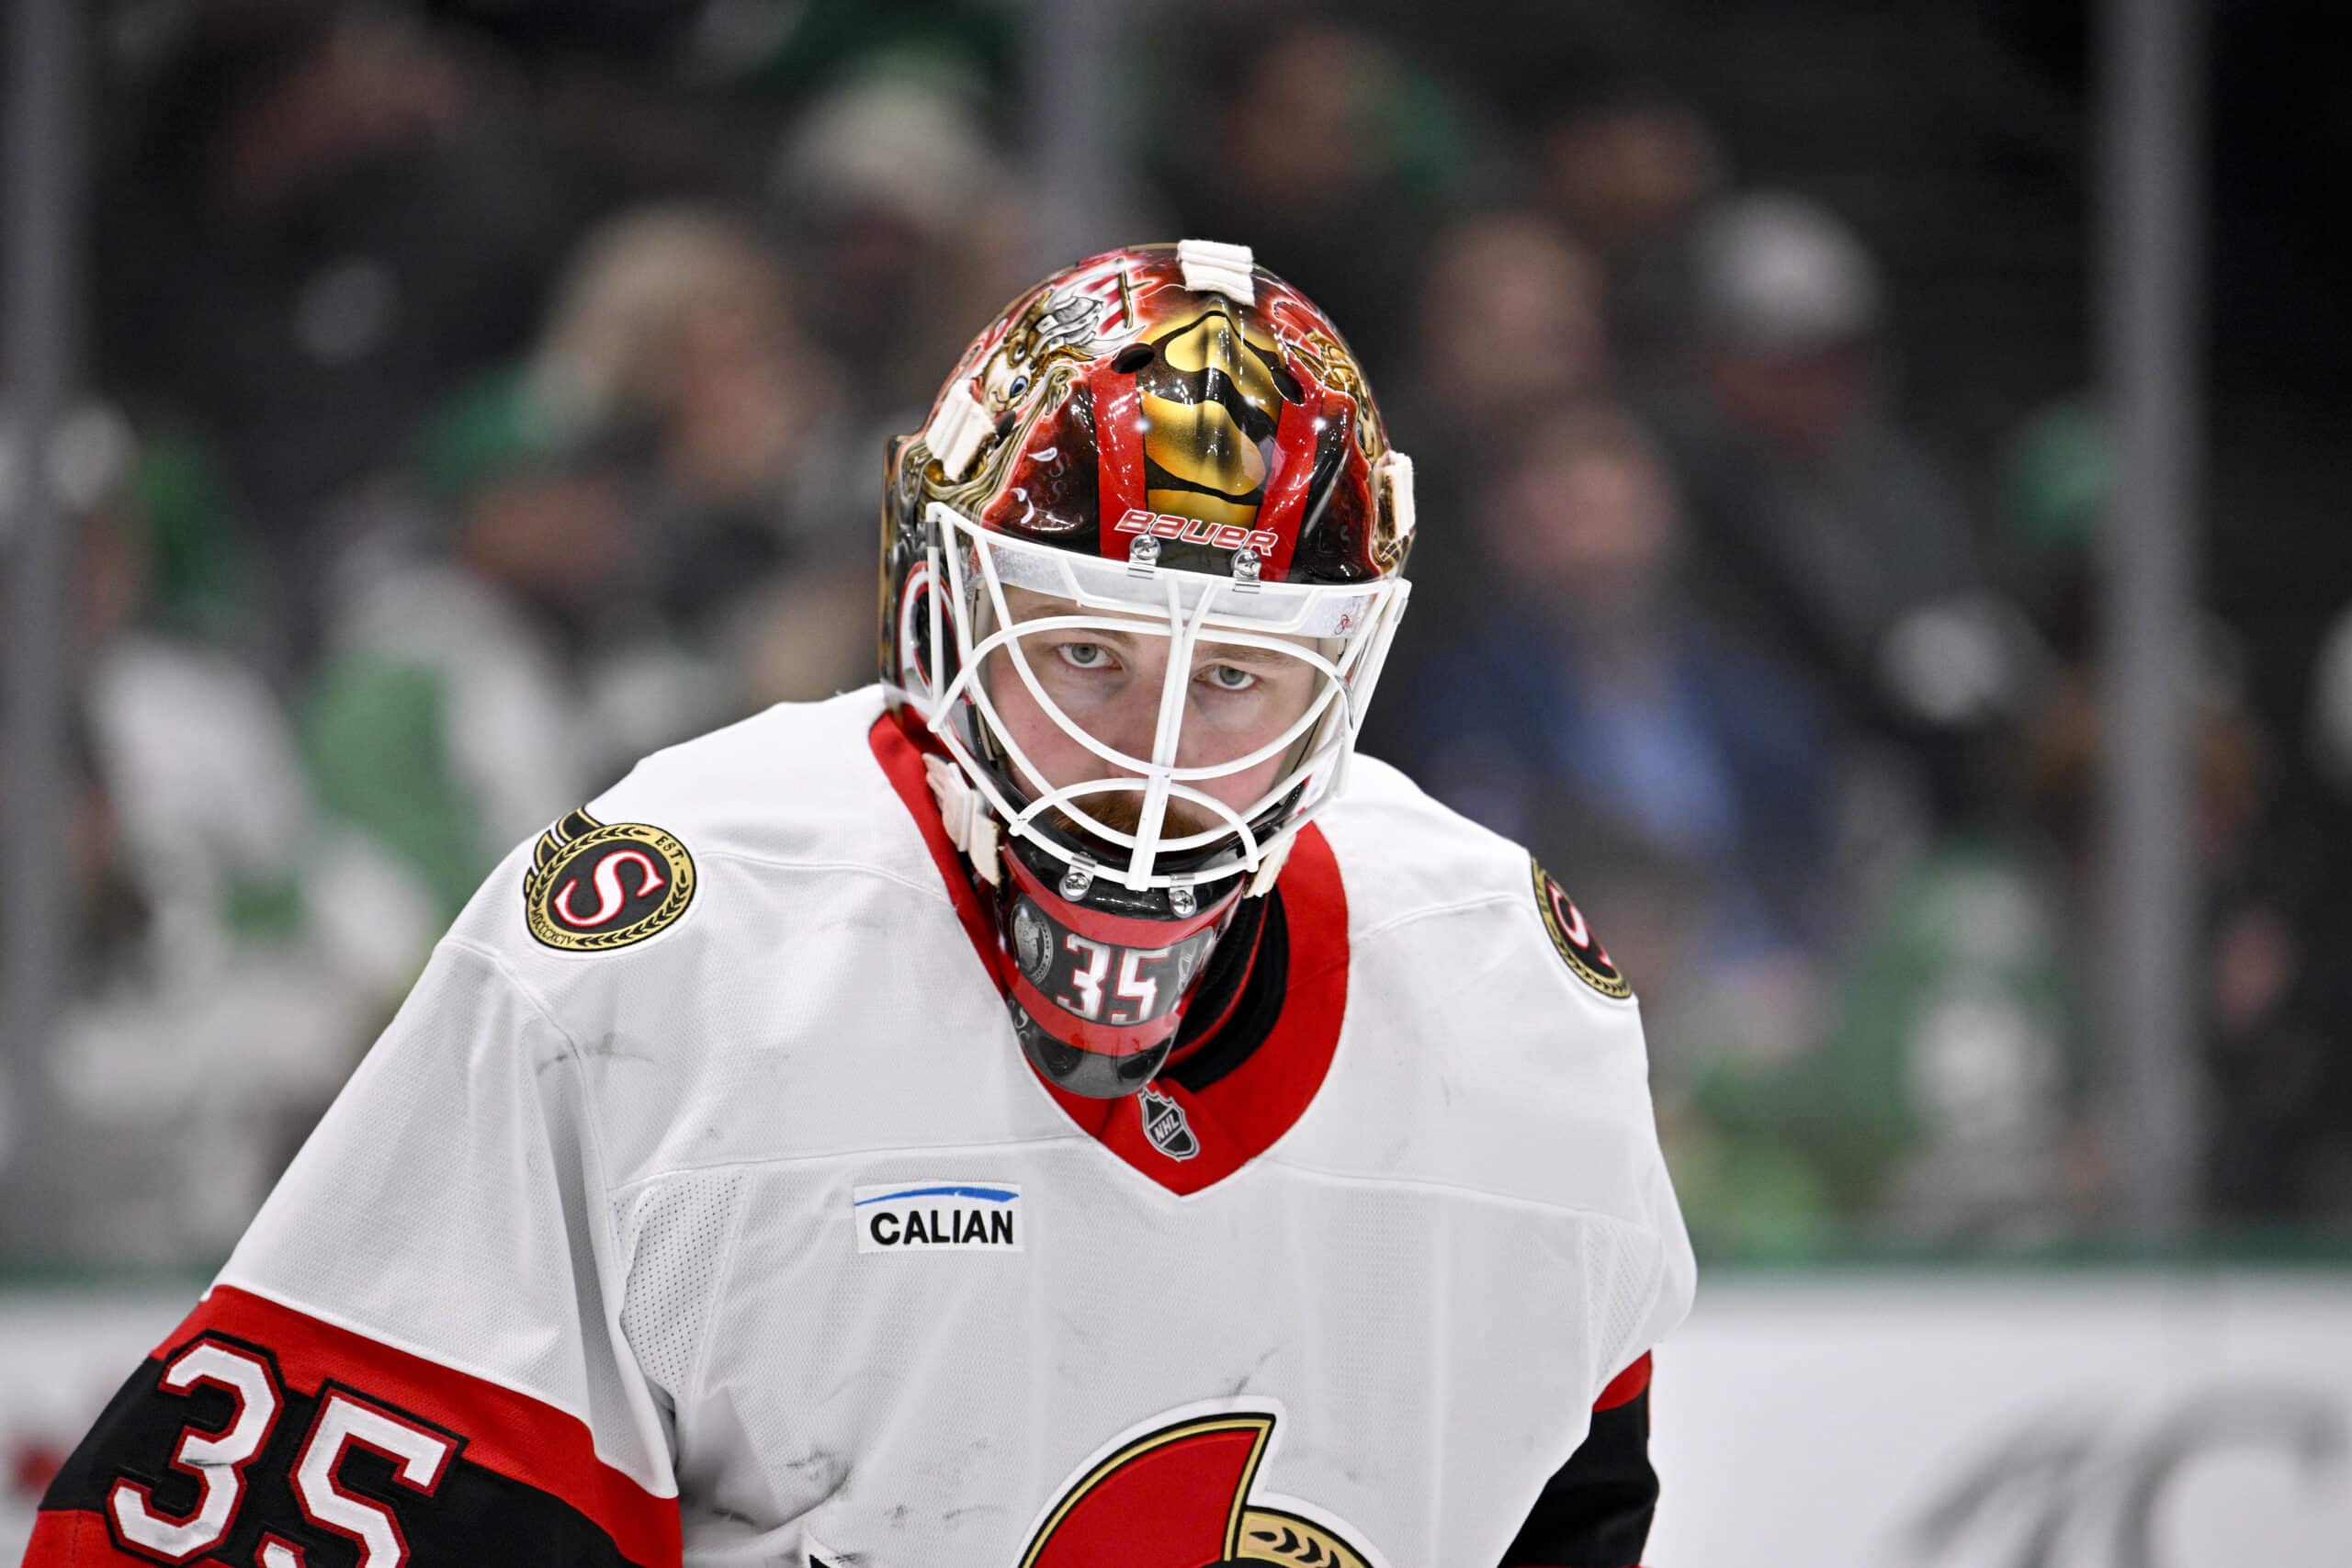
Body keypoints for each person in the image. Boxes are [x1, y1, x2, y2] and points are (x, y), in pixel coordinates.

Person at [26, 243, 1692, 1568]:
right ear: (934, 606)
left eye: (1241, 677)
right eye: (1089, 654)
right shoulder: (681, 941)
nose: (1153, 763)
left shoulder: (1513, 1009)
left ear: (1345, 681)